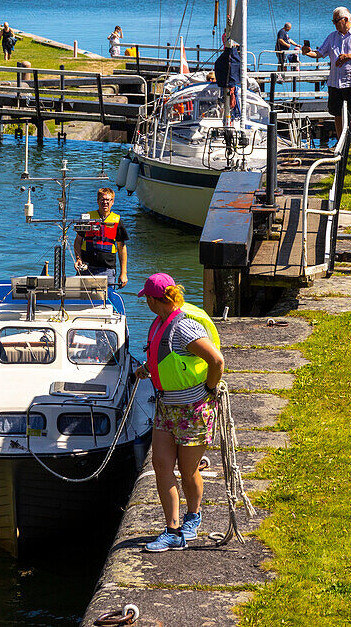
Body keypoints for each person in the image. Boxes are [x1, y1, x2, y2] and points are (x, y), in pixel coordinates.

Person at [134, 273, 224, 552]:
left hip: (193, 410)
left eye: (146, 298)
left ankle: (193, 517)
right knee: (161, 465)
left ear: (152, 299)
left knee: (187, 471)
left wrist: (210, 390)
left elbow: (216, 360)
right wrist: (147, 369)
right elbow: (168, 359)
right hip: (166, 408)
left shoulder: (184, 327)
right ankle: (173, 530)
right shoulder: (159, 324)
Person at [304, 7, 351, 148]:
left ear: (346, 19)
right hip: (335, 82)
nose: (334, 24)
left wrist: (349, 56)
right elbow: (320, 53)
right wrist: (307, 52)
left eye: (336, 20)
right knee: (337, 113)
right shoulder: (332, 36)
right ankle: (341, 142)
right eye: (333, 21)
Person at [74, 186, 128, 288]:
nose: (105, 202)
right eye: (102, 199)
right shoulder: (87, 218)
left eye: (108, 200)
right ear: (98, 201)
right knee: (82, 298)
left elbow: (122, 248)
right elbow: (78, 241)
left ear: (112, 202)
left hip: (107, 269)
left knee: (105, 300)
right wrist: (78, 258)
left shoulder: (117, 220)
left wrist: (123, 273)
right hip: (86, 268)